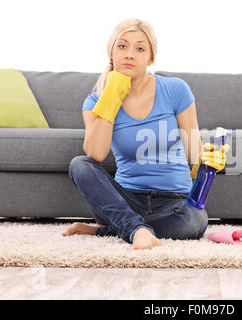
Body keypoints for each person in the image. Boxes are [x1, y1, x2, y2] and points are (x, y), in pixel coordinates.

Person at [62, 18, 229, 250]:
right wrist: (111, 95)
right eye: (122, 46)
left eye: (140, 48)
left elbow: (195, 154)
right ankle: (135, 229)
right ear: (111, 52)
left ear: (150, 58)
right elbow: (96, 153)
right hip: (123, 201)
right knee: (79, 164)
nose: (130, 54)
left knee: (194, 222)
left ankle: (113, 229)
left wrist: (209, 161)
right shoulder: (94, 101)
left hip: (174, 203)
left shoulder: (176, 90)